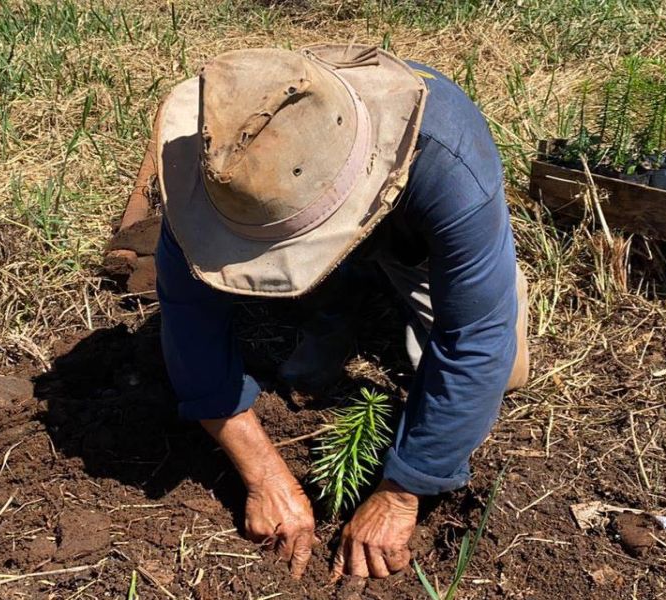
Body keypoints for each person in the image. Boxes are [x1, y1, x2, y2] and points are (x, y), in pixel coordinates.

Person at [147, 43, 529, 580]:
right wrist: (262, 472)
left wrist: (404, 489)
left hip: (413, 243)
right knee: (307, 345)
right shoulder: (211, 170)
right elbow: (188, 318)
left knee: (505, 372)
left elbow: (476, 338)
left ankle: (362, 280)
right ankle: (335, 292)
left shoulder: (446, 155)